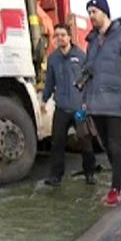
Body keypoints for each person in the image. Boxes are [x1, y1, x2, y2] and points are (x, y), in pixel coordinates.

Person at [81, 0, 121, 206]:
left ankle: (116, 188)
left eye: (94, 12)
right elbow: (88, 72)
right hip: (96, 101)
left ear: (104, 13)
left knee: (115, 144)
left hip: (117, 100)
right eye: (89, 12)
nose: (91, 17)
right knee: (105, 143)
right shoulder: (91, 42)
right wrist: (84, 99)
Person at [41, 24, 91, 186]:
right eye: (57, 35)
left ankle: (89, 173)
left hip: (78, 109)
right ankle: (56, 176)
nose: (60, 38)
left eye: (63, 35)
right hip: (61, 109)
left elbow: (89, 80)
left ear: (70, 37)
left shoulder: (81, 56)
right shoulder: (53, 59)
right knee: (57, 143)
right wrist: (44, 99)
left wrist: (87, 103)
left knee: (84, 140)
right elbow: (50, 82)